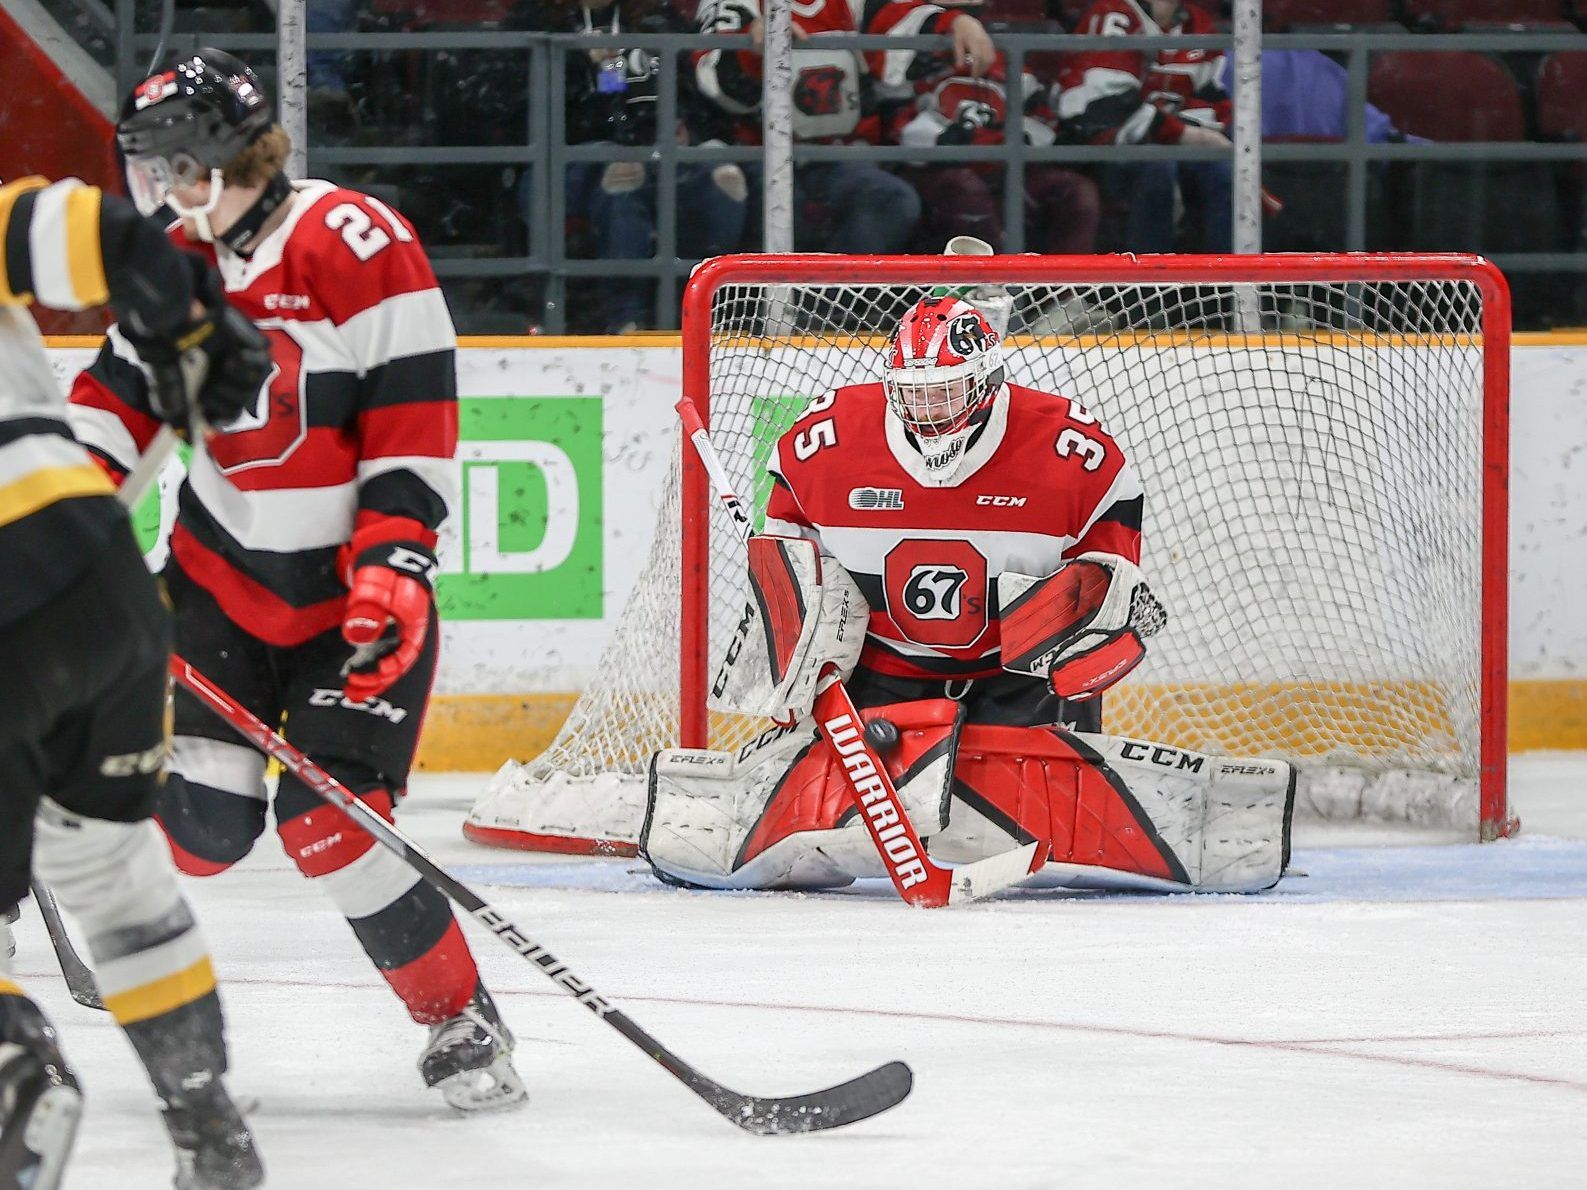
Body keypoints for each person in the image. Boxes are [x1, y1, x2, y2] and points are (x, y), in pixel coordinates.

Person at [67, 49, 526, 1115]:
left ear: (225, 153)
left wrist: (396, 561)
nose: (162, 193)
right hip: (220, 584)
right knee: (207, 830)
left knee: (332, 824)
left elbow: (414, 418)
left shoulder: (356, 240)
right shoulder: (169, 267)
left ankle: (459, 1017)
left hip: (349, 603)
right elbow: (111, 411)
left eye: (173, 165)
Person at [640, 293, 1294, 896]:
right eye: (912, 394)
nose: (927, 410)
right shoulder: (823, 441)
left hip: (1013, 679)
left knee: (1040, 844)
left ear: (986, 382)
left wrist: (1090, 636)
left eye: (945, 391)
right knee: (819, 850)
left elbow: (1110, 580)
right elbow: (784, 557)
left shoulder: (1075, 452)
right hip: (882, 673)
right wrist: (795, 627)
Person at [0, 174, 270, 1188]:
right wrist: (189, 335)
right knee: (114, 881)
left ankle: (14, 1070)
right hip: (104, 582)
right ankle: (206, 1122)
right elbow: (111, 231)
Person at [510, 0, 747, 332]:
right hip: (567, 154)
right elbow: (516, 107)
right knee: (622, 177)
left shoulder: (660, 18)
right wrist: (581, 67)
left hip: (655, 151)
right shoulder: (533, 18)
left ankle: (703, 309)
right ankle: (624, 317)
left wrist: (687, 127)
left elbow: (695, 92)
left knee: (725, 178)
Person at [692, 0, 997, 254]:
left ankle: (835, 312)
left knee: (889, 198)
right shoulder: (733, 3)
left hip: (839, 157)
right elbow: (717, 85)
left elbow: (896, 31)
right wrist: (752, 45)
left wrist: (955, 23)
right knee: (773, 207)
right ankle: (753, 310)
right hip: (754, 153)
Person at [1055, 0, 1233, 252]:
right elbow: (1102, 108)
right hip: (1099, 148)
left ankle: (1229, 282)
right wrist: (1181, 134)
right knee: (1157, 167)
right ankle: (1149, 284)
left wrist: (1183, 133)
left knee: (1224, 171)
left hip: (1168, 142)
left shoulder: (1198, 24)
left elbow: (1212, 100)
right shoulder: (1112, 13)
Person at [891, 52, 1101, 257]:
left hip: (1009, 171)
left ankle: (1065, 288)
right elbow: (902, 132)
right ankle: (994, 285)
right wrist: (947, 140)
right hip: (942, 171)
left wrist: (991, 139)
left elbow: (1044, 132)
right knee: (965, 186)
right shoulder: (927, 65)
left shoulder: (1020, 75)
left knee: (1077, 191)